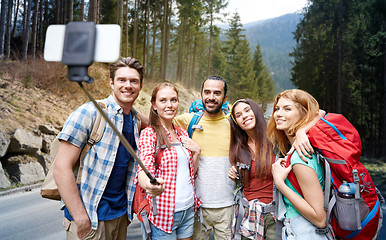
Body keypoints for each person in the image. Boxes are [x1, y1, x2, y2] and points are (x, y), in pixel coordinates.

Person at [53, 57, 147, 240]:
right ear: (111, 83)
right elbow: (61, 167)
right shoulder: (89, 113)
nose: (128, 85)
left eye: (133, 81)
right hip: (90, 218)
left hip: (119, 216)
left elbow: (159, 124)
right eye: (122, 80)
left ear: (141, 86)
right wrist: (80, 218)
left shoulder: (135, 120)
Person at [137, 82, 202, 240]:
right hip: (164, 213)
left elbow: (190, 173)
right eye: (163, 100)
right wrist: (149, 185)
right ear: (154, 105)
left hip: (188, 209)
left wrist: (197, 152)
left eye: (173, 100)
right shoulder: (149, 134)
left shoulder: (182, 133)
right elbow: (144, 169)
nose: (169, 105)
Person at [173, 76, 235, 240]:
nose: (211, 97)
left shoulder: (234, 123)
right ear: (201, 95)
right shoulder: (188, 121)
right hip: (196, 205)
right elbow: (155, 123)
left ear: (225, 98)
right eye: (207, 92)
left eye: (217, 93)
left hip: (227, 205)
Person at [267, 89, 328, 239]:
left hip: (305, 233)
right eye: (277, 109)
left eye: (287, 109)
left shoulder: (300, 158)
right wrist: (302, 131)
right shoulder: (296, 150)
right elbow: (320, 112)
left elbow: (320, 219)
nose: (278, 114)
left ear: (303, 114)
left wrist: (280, 183)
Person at [227, 99, 276, 240]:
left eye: (247, 110)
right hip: (248, 214)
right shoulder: (239, 148)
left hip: (273, 214)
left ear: (255, 110)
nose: (245, 116)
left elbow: (318, 113)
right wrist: (235, 174)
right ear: (237, 122)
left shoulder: (275, 138)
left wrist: (302, 133)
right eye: (239, 115)